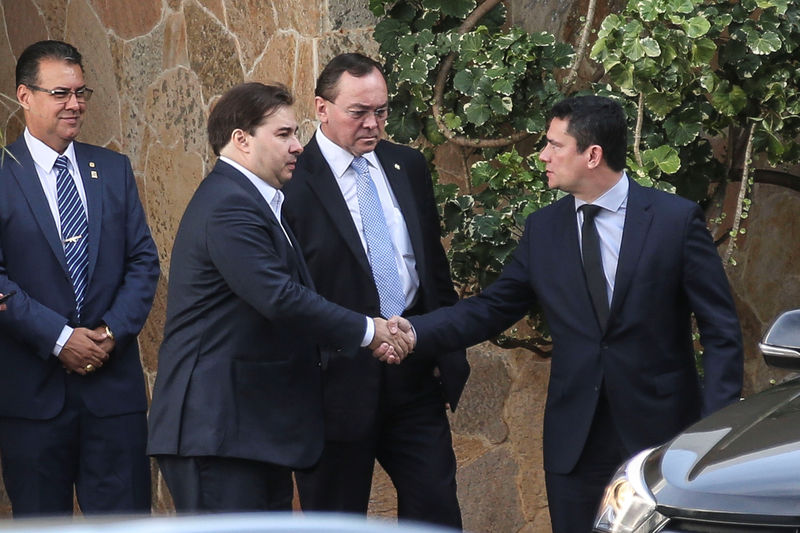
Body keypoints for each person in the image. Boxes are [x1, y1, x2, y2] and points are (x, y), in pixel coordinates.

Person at [388, 95, 744, 533]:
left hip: (664, 440)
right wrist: (412, 331)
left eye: (555, 145)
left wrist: (712, 433)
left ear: (592, 155)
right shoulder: (544, 229)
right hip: (575, 443)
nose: (543, 155)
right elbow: (492, 308)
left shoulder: (675, 220)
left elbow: (721, 330)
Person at [146, 82, 412, 513]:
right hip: (217, 432)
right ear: (241, 140)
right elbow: (280, 298)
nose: (297, 147)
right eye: (284, 134)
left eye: (295, 134)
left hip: (251, 433)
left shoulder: (261, 200)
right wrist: (370, 330)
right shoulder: (229, 204)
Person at [282, 53, 469, 528]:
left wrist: (442, 347)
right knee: (337, 520)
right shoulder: (291, 183)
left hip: (414, 375)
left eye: (381, 111)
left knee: (436, 512)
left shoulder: (406, 165)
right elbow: (291, 294)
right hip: (336, 386)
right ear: (321, 108)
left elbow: (431, 268)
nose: (373, 124)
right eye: (358, 112)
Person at [0, 40, 160, 516]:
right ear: (24, 96)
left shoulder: (112, 169)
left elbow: (143, 262)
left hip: (113, 397)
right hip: (31, 399)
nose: (75, 103)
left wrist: (108, 333)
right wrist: (60, 338)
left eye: (81, 91)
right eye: (60, 93)